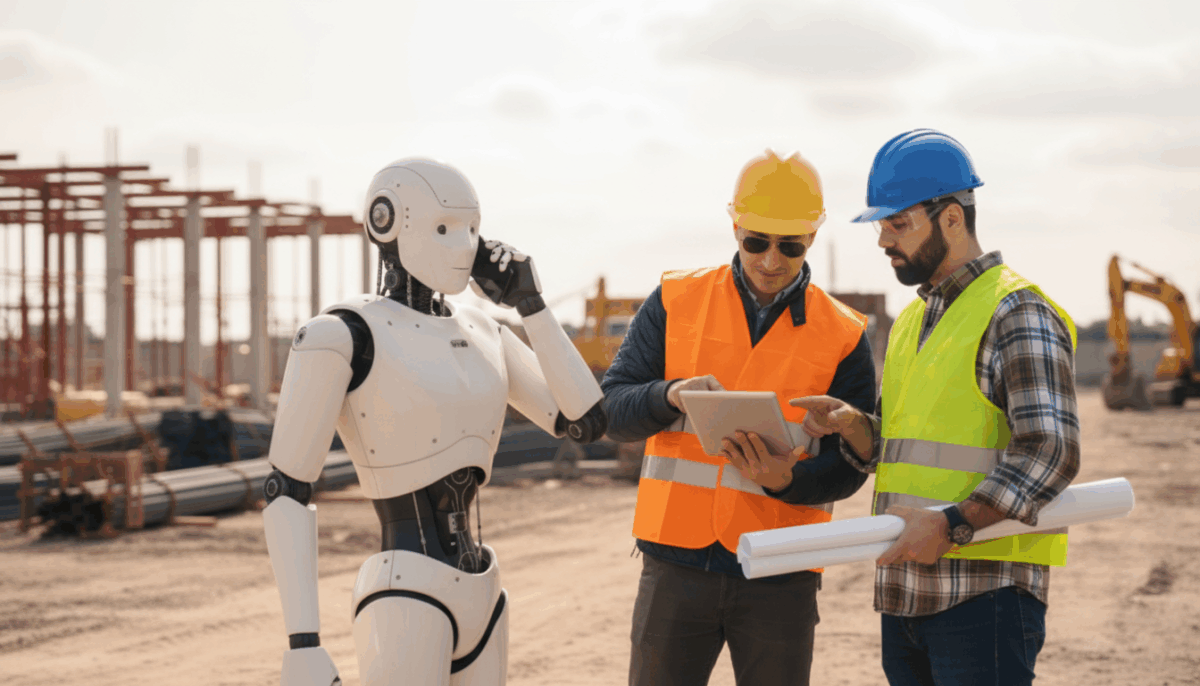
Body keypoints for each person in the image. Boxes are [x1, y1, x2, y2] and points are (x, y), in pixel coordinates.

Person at [260, 157, 606, 686]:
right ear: (385, 222)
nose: (464, 246)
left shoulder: (486, 331)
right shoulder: (343, 334)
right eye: (444, 228)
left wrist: (530, 302)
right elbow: (286, 488)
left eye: (472, 228)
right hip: (405, 591)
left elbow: (586, 420)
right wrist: (302, 644)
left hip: (484, 589)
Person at [792, 129, 1081, 686]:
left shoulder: (1015, 311)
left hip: (984, 594)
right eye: (881, 225)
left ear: (951, 218)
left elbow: (1051, 451)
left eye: (898, 223)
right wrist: (856, 427)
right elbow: (909, 447)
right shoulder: (912, 321)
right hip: (907, 594)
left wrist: (952, 526)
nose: (883, 240)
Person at [602, 149, 878, 686]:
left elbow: (850, 466)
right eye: (756, 242)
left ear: (812, 237)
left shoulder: (844, 334)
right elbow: (612, 413)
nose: (771, 260)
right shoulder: (676, 300)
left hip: (782, 567)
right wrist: (669, 395)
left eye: (790, 246)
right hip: (676, 564)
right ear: (735, 228)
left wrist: (788, 481)